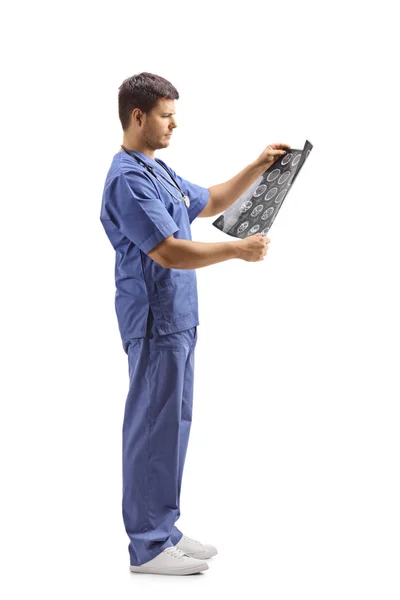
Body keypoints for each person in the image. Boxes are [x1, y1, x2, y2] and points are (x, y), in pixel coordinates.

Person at [99, 71, 290, 576]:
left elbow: (214, 199)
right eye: (166, 115)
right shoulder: (128, 181)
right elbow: (168, 251)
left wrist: (257, 166)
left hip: (179, 320)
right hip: (153, 320)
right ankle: (147, 545)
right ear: (138, 116)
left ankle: (165, 529)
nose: (174, 124)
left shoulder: (158, 170)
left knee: (174, 426)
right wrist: (238, 250)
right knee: (152, 426)